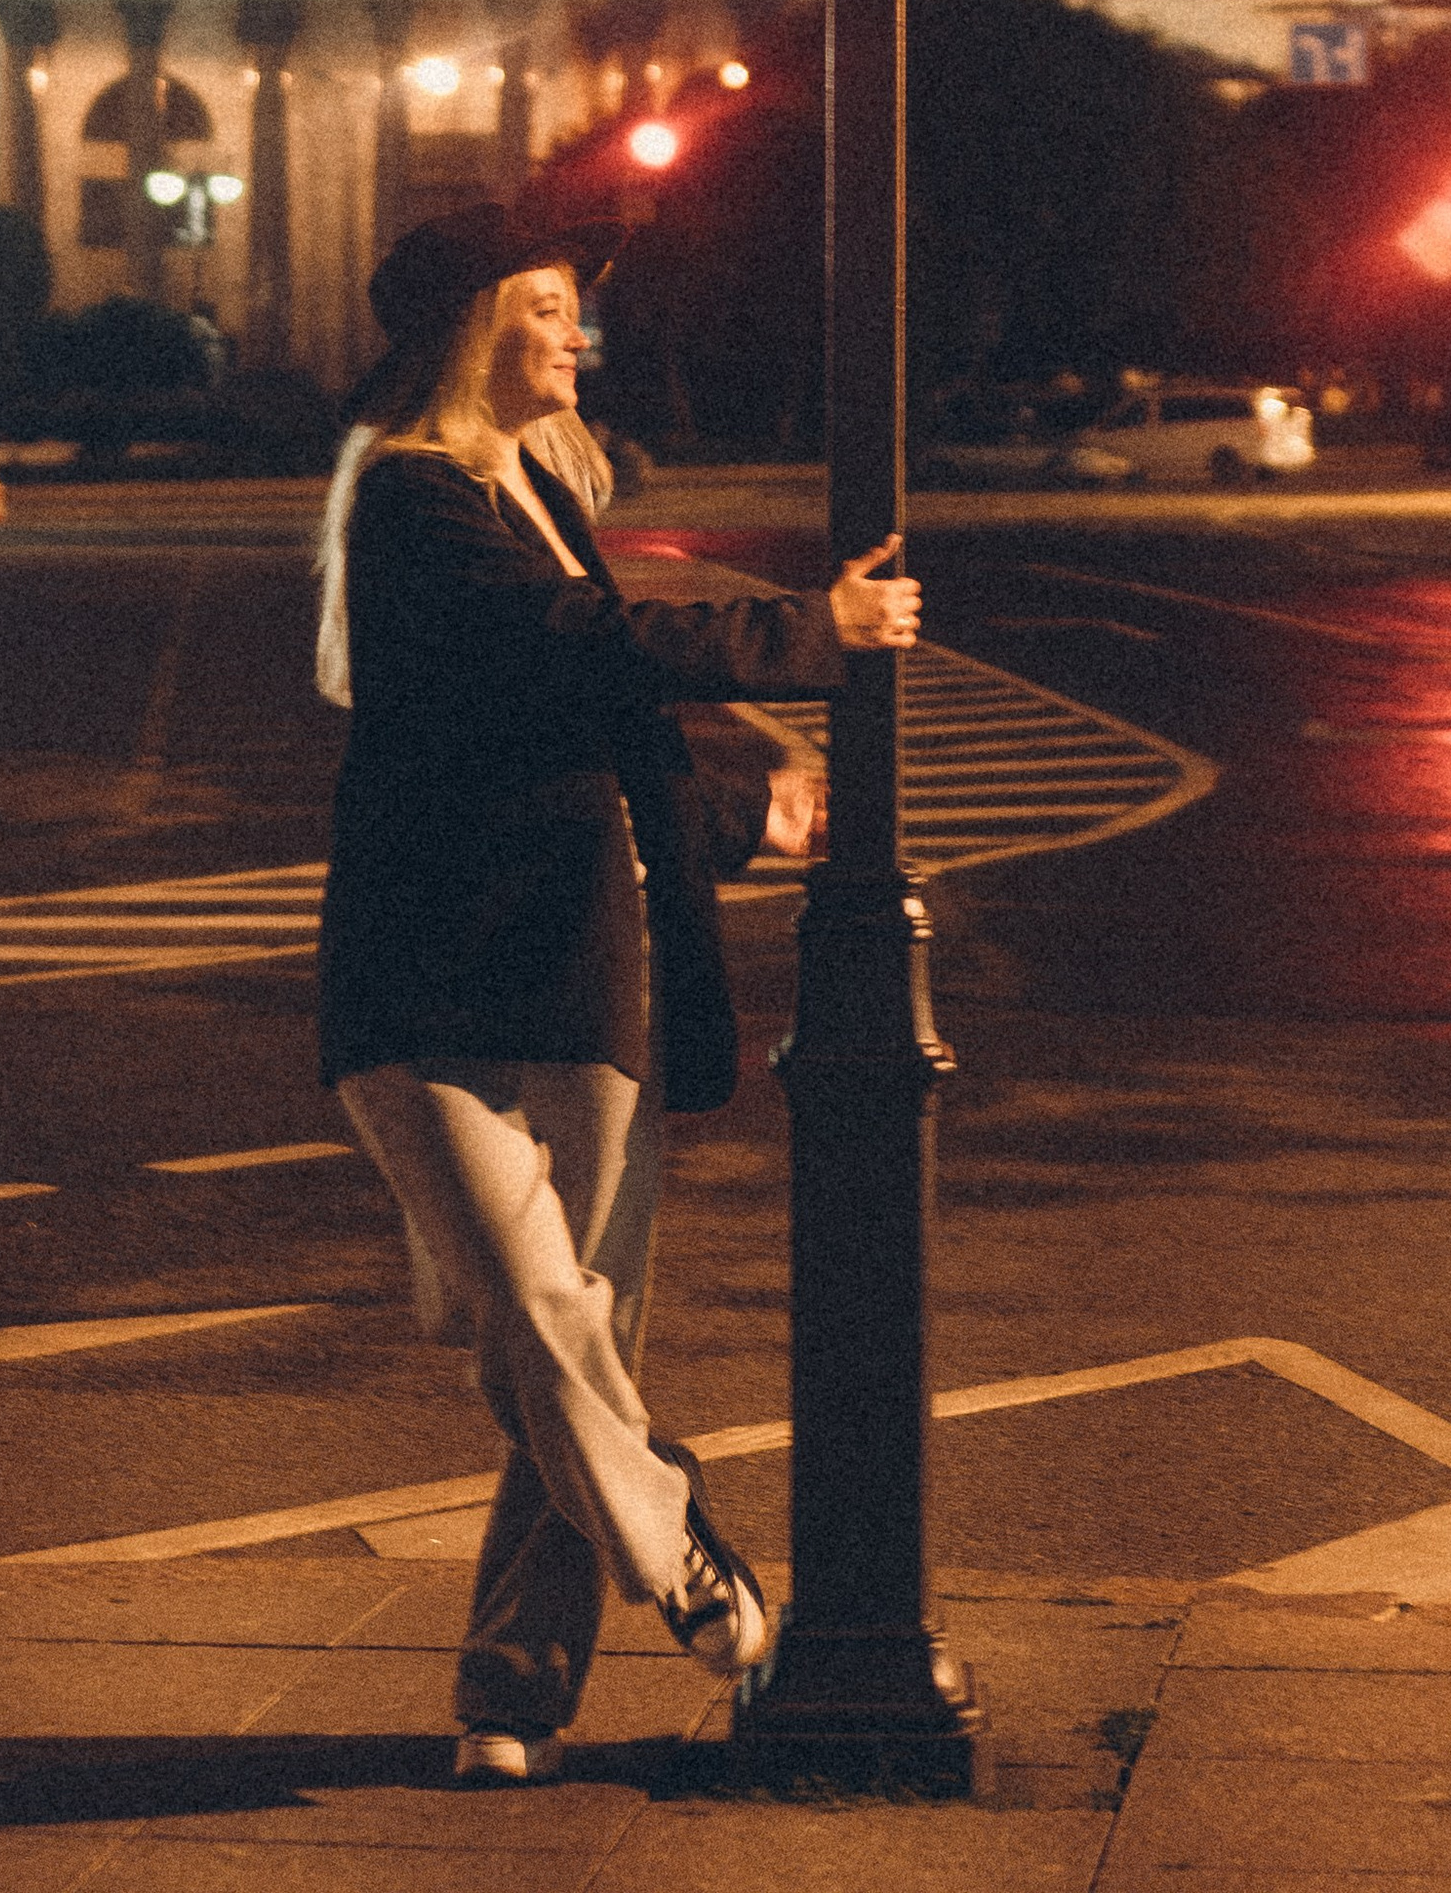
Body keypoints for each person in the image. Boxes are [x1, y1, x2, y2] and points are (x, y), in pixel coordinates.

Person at [312, 192, 919, 1785]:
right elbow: (573, 648)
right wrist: (816, 630)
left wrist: (745, 813)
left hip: (580, 969)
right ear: (473, 326)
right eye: (551, 304)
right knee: (532, 1317)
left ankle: (512, 1694)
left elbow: (569, 741)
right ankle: (696, 1567)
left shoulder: (542, 488)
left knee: (566, 1344)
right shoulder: (414, 500)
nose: (582, 332)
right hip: (425, 980)